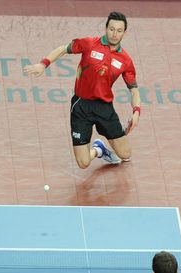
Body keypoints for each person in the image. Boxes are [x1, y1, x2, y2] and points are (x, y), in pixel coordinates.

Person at [24, 11, 140, 169]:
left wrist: (136, 111)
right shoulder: (89, 44)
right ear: (106, 28)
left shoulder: (125, 60)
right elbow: (63, 49)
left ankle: (108, 143)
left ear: (124, 33)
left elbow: (134, 90)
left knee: (126, 154)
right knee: (83, 163)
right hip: (81, 106)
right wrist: (44, 63)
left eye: (119, 31)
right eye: (111, 29)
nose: (114, 34)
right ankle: (99, 150)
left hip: (105, 108)